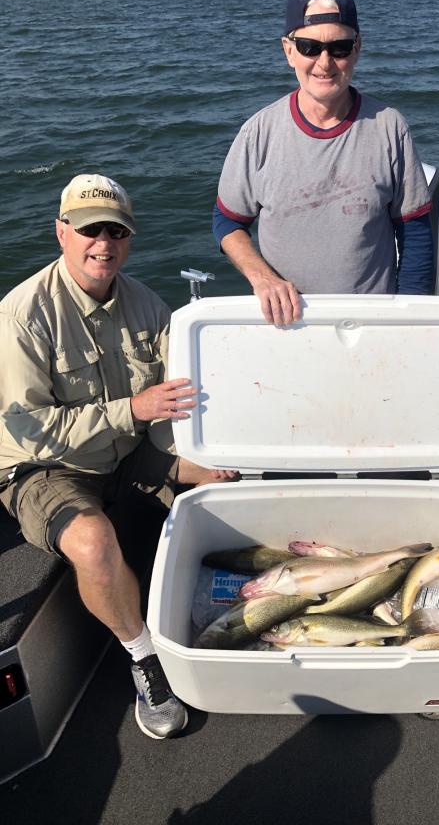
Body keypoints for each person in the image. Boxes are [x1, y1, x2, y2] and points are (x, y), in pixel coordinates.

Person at [0, 174, 236, 739]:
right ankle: (144, 658)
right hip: (44, 469)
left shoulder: (148, 305)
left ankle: (233, 604)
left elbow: (170, 404)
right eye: (88, 230)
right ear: (61, 232)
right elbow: (30, 432)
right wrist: (132, 409)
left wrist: (193, 458)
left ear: (129, 239)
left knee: (226, 480)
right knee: (92, 540)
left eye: (115, 230)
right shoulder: (22, 316)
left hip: (125, 455)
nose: (102, 243)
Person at [212, 0, 434, 326]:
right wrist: (262, 278)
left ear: (357, 49)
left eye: (339, 47)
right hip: (286, 324)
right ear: (289, 51)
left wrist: (409, 318)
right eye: (309, 47)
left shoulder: (390, 127)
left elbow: (415, 232)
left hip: (369, 322)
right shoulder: (258, 133)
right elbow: (228, 221)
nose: (325, 63)